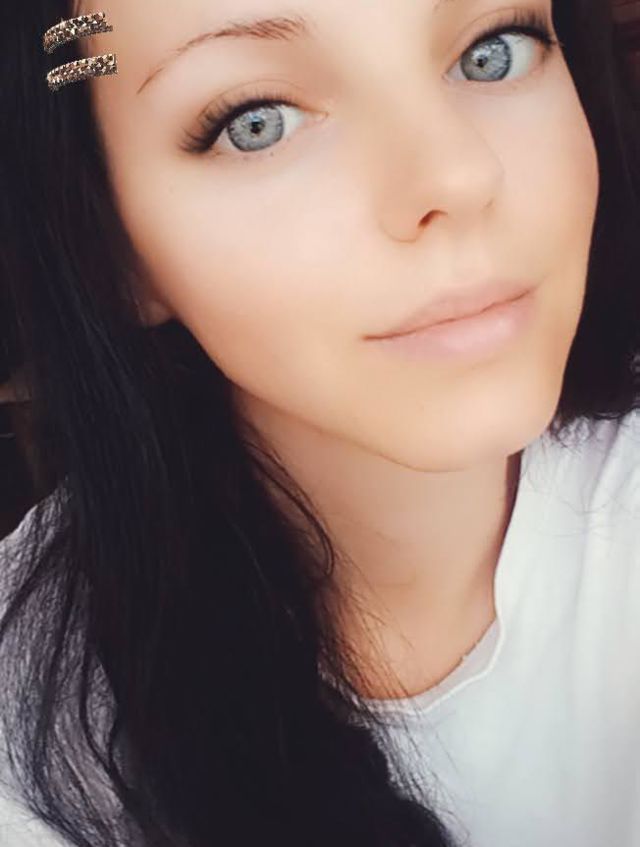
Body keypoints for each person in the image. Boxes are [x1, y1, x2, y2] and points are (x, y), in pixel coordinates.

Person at [1, 0, 639, 844]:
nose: (457, 174)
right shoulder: (28, 745)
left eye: (493, 50)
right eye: (257, 122)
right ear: (110, 247)